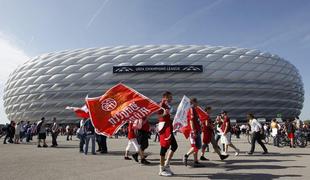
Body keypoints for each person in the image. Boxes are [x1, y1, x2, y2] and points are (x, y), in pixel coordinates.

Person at [158, 91, 178, 176]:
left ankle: (167, 164)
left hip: (168, 128)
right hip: (164, 128)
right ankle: (161, 169)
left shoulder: (167, 105)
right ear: (165, 97)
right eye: (170, 97)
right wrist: (164, 113)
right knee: (164, 148)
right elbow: (159, 116)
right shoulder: (161, 104)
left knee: (174, 146)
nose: (171, 99)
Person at [183, 98, 203, 167]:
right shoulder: (191, 109)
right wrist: (193, 130)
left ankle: (196, 161)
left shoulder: (195, 110)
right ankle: (186, 155)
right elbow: (191, 120)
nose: (197, 103)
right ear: (193, 102)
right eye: (196, 102)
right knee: (197, 146)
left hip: (197, 130)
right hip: (194, 131)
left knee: (196, 146)